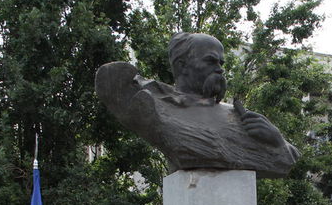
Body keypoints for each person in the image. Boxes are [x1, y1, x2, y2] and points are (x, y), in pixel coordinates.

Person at [95, 32, 298, 178]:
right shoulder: (154, 105)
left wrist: (277, 141)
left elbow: (285, 163)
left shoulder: (239, 117)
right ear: (182, 65)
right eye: (211, 61)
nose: (219, 69)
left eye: (221, 63)